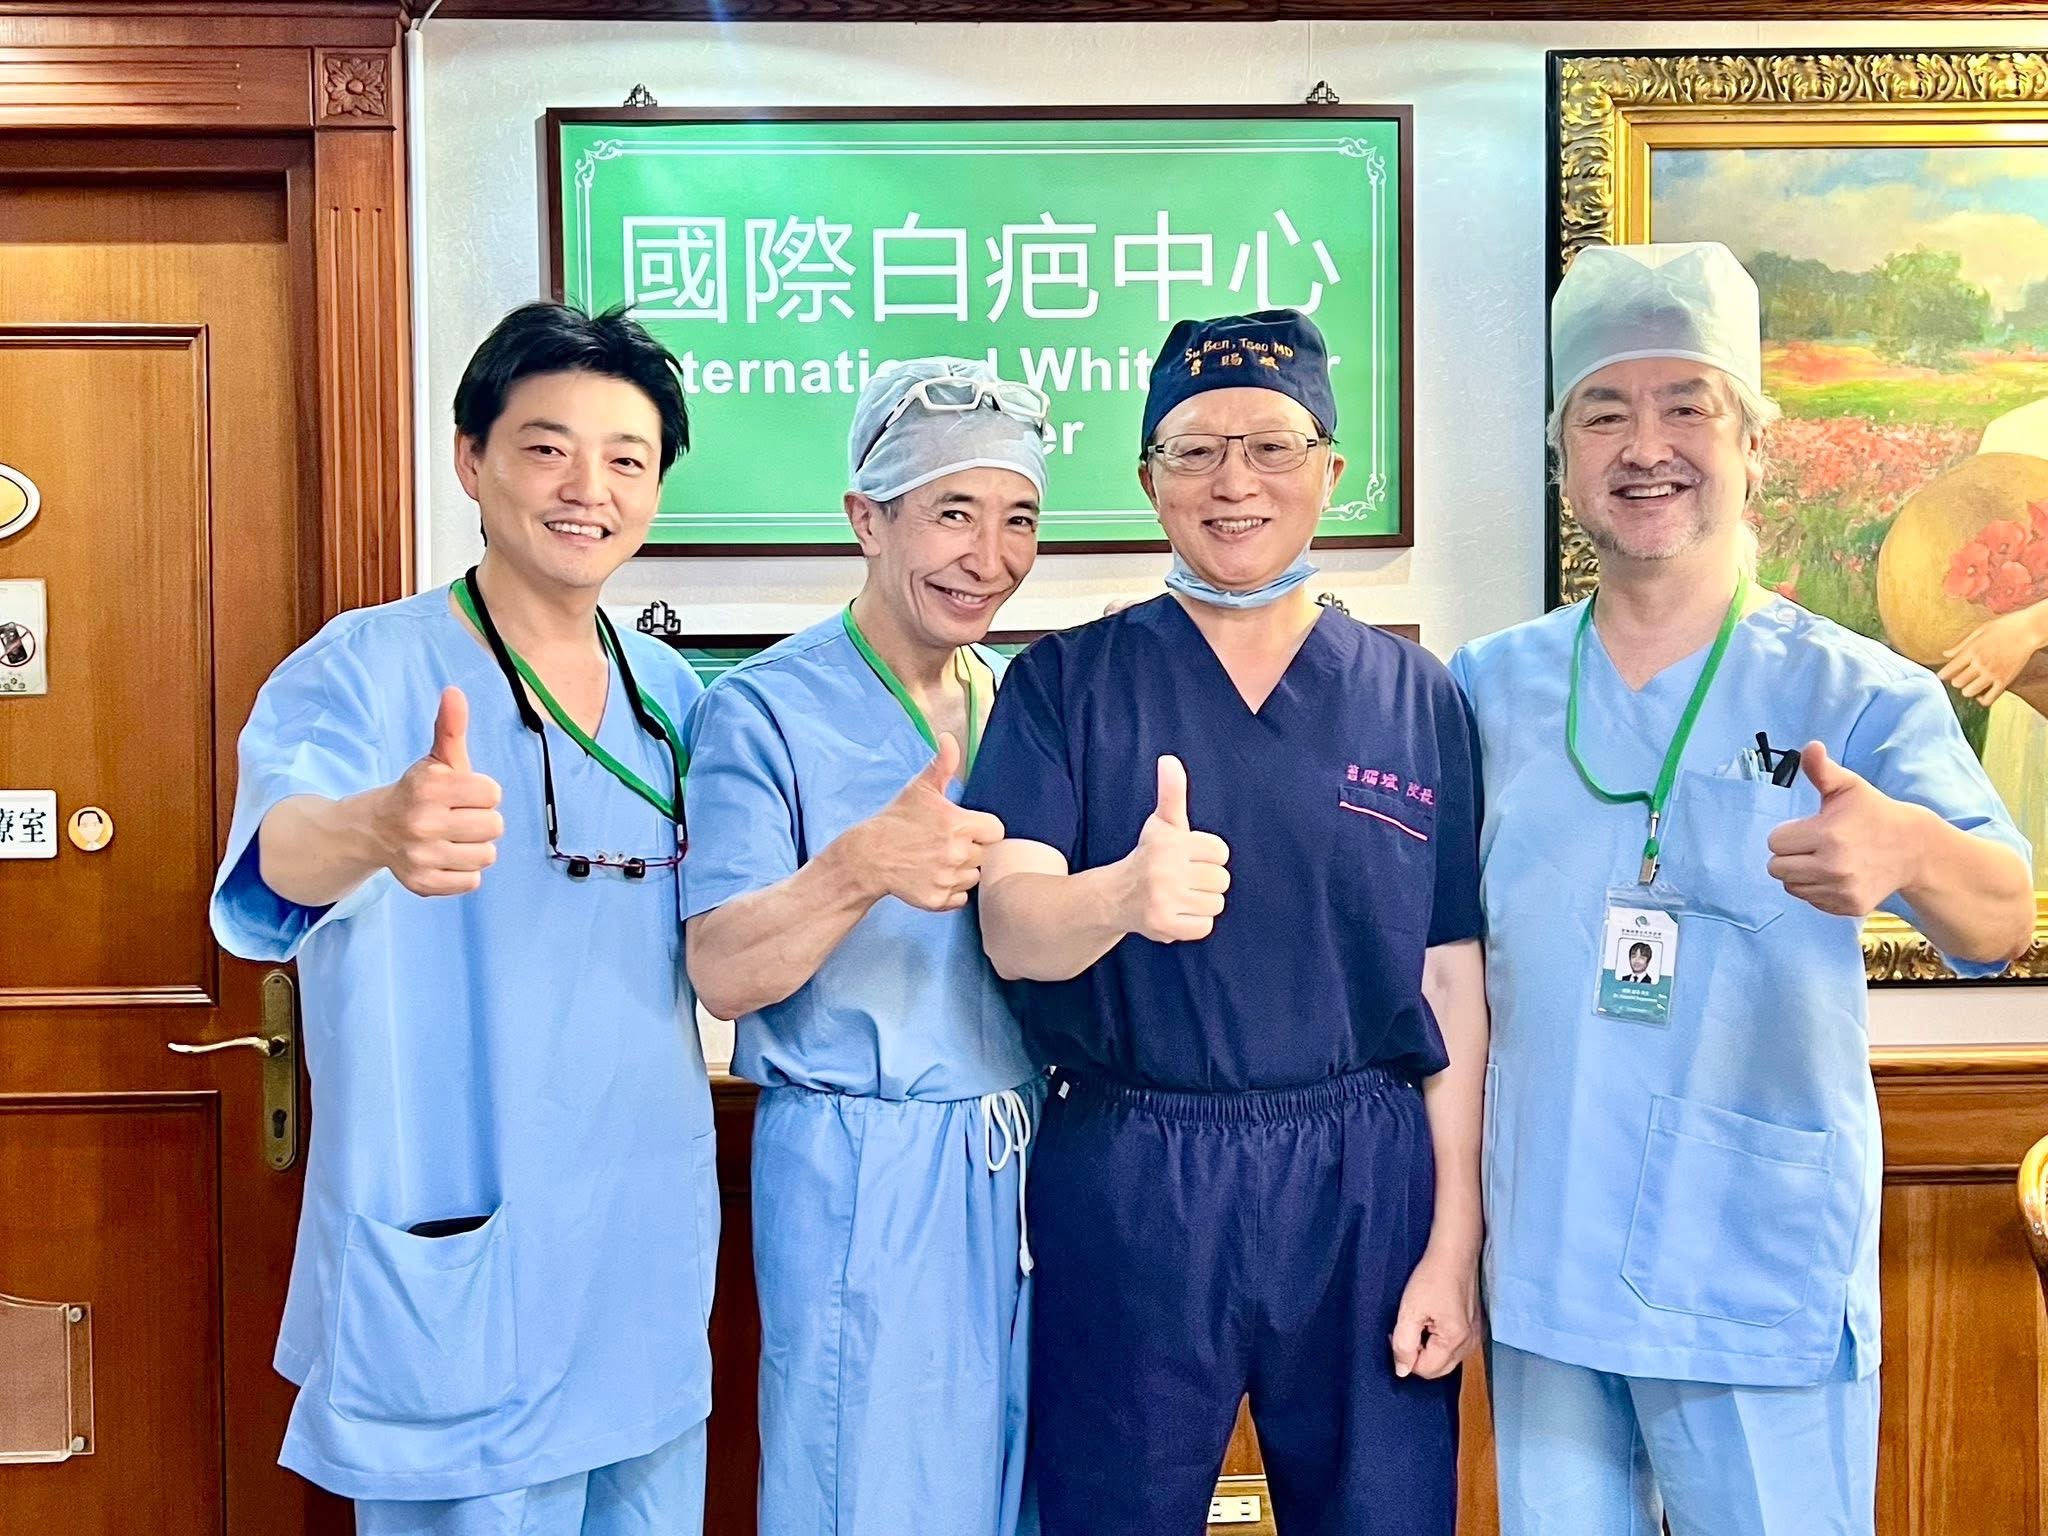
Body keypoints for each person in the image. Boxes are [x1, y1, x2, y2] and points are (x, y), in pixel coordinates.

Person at [1450, 242, 2036, 1536]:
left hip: (1750, 1254)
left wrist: (1909, 851)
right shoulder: (1486, 690)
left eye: (1687, 407)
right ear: (1560, 456)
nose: (1644, 445)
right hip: (1547, 1249)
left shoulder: (1856, 693)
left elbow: (2000, 918)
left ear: (1754, 446)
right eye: (1603, 412)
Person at [967, 309, 1489, 1536]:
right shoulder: (1062, 683)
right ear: (1148, 479)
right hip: (1132, 1166)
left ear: (1330, 469)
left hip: (1364, 1176)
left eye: (1270, 445)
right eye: (1194, 451)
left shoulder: (1415, 697)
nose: (1232, 482)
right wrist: (1119, 897)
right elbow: (1008, 927)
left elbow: (1449, 980)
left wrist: (1452, 1238)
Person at [210, 302, 717, 1535]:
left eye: (626, 458)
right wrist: (378, 827)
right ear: (470, 460)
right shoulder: (364, 666)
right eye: (546, 448)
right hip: (461, 1227)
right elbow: (278, 854)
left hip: (636, 1247)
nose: (587, 488)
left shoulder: (670, 693)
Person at [680, 357, 1048, 1536]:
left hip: (1020, 1157)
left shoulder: (1019, 701)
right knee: (863, 1495)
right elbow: (721, 971)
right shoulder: (762, 710)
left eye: (1017, 518)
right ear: (865, 518)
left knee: (1009, 1495)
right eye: (951, 512)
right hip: (859, 1168)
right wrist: (855, 869)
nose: (987, 556)